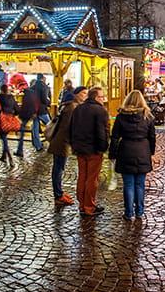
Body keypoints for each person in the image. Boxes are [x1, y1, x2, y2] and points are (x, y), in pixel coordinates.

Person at [108, 90, 156, 221]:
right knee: (140, 184)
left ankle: (128, 213)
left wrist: (112, 153)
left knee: (128, 184)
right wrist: (151, 152)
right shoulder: (148, 116)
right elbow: (152, 137)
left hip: (126, 150)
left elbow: (115, 137)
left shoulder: (121, 116)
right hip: (143, 151)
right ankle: (139, 211)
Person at [70, 86, 109, 217]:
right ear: (96, 97)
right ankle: (89, 206)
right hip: (93, 149)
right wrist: (103, 147)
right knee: (92, 178)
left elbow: (72, 129)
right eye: (102, 97)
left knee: (82, 176)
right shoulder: (100, 110)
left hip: (80, 148)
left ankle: (82, 204)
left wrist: (74, 145)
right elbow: (101, 132)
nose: (103, 99)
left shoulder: (78, 109)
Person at [48, 86, 84, 206]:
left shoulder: (69, 105)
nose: (85, 96)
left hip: (61, 141)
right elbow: (69, 128)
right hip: (61, 143)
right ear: (77, 94)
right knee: (58, 169)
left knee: (58, 168)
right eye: (83, 93)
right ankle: (58, 195)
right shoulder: (72, 107)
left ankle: (59, 193)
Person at [18, 73, 52, 156]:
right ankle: (53, 143)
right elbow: (44, 99)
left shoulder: (32, 87)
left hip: (34, 111)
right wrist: (48, 103)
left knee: (35, 128)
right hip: (41, 110)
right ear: (43, 78)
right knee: (51, 126)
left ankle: (38, 145)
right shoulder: (43, 86)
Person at [0, 84, 19, 167]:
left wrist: (1, 115)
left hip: (3, 120)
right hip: (10, 120)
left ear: (1, 90)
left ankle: (9, 157)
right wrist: (12, 114)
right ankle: (3, 156)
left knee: (4, 139)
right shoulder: (12, 98)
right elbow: (17, 110)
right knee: (4, 137)